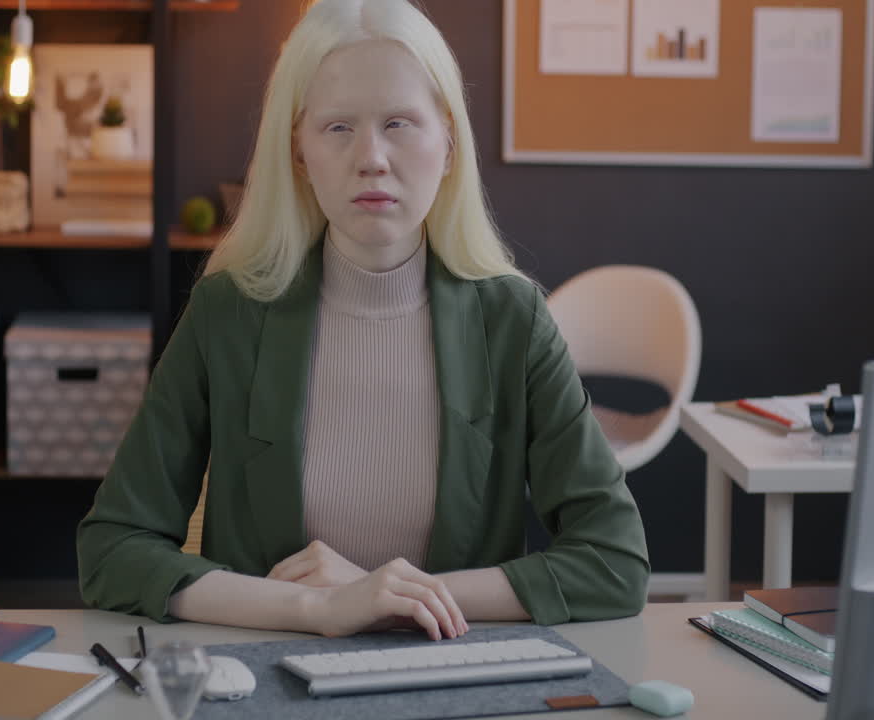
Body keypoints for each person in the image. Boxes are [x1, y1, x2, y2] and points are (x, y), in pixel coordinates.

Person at [76, 0, 649, 641]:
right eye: (338, 128)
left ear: (450, 143)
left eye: (400, 123)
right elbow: (112, 550)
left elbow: (615, 562)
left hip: (455, 680)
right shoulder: (227, 311)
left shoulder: (514, 320)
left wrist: (398, 596)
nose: (371, 157)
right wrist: (316, 609)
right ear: (298, 152)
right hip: (267, 671)